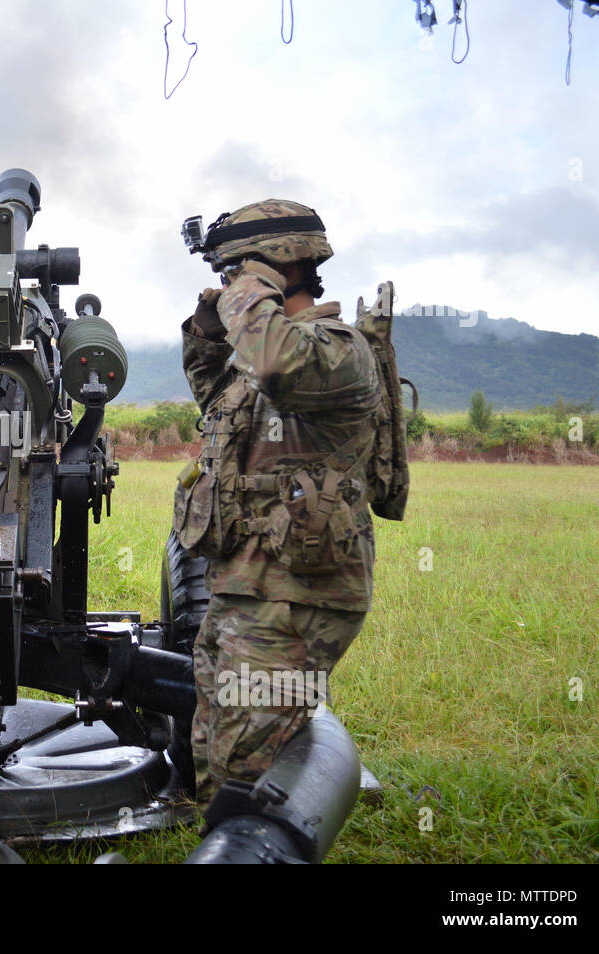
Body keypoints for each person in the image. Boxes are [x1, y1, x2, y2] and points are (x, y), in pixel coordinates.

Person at [172, 200, 382, 815]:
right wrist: (211, 326)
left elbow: (275, 362)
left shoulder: (336, 351)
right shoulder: (259, 365)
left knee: (247, 766)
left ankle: (252, 842)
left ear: (278, 267)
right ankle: (225, 839)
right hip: (247, 586)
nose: (229, 284)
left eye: (237, 270)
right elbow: (216, 394)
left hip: (297, 594)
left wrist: (251, 291)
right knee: (217, 741)